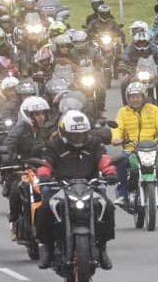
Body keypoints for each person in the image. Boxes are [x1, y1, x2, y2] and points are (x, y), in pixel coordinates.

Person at [34, 110, 118, 270]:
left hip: (89, 185)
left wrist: (110, 172)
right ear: (64, 132)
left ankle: (102, 248)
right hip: (60, 186)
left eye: (81, 134)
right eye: (74, 135)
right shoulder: (54, 145)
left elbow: (104, 159)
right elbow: (46, 162)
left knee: (107, 206)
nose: (78, 138)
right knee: (44, 209)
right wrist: (44, 175)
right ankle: (47, 248)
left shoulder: (94, 143)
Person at [111, 82, 158, 206]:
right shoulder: (122, 112)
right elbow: (117, 128)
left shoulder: (153, 110)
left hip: (151, 149)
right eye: (132, 97)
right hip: (131, 149)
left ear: (144, 96)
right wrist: (116, 138)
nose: (135, 99)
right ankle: (123, 194)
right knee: (121, 162)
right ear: (127, 98)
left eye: (138, 96)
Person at [0, 96, 50, 236]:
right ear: (28, 115)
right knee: (16, 189)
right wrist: (12, 160)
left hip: (45, 168)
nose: (41, 117)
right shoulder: (19, 129)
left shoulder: (49, 129)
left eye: (43, 113)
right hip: (24, 168)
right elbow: (8, 145)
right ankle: (14, 222)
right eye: (37, 114)